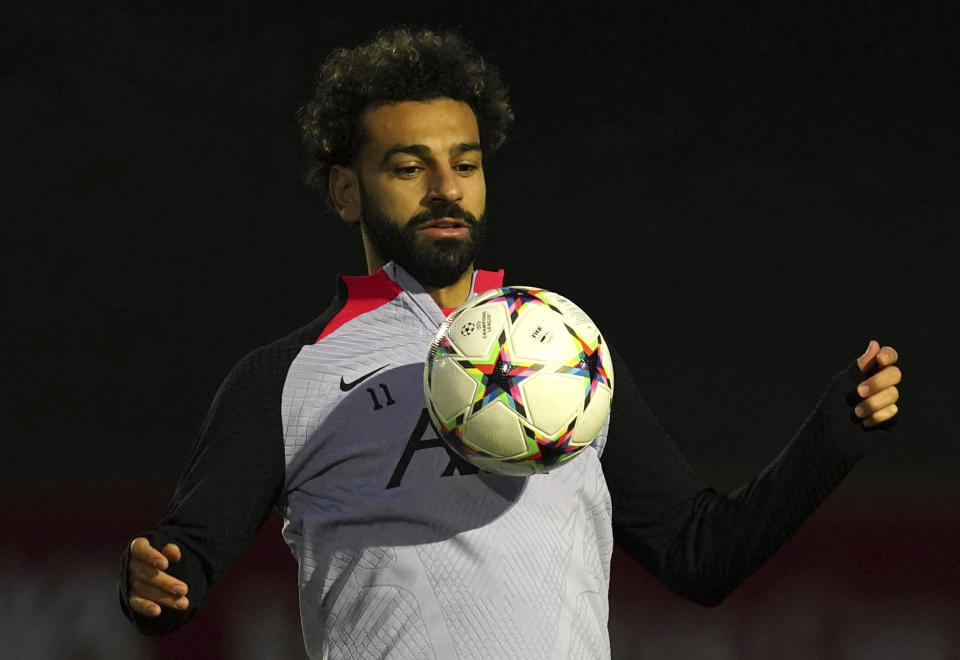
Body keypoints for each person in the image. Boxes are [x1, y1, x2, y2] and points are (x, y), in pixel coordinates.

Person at [119, 28, 902, 659]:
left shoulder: (565, 344)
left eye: (465, 163)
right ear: (345, 190)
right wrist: (151, 586)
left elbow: (701, 554)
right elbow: (182, 563)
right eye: (408, 166)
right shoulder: (287, 378)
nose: (446, 187)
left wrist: (835, 436)